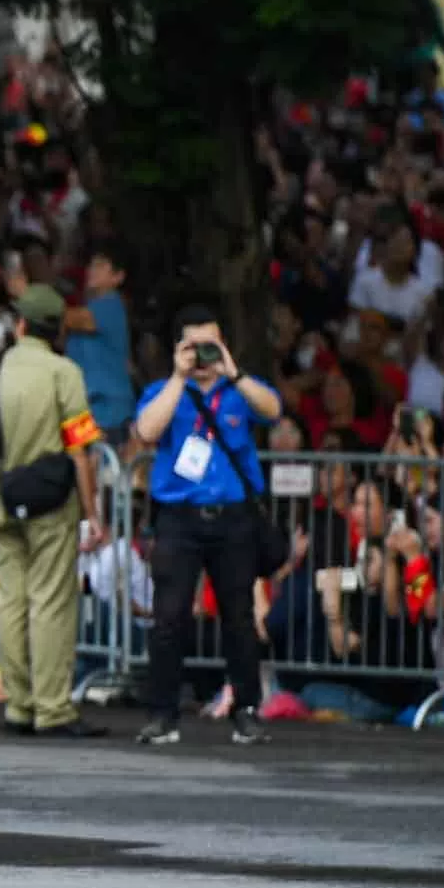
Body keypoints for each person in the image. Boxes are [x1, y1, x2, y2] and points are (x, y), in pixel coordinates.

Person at [132, 304, 284, 747]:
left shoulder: (238, 391)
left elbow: (273, 409)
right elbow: (146, 430)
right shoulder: (165, 390)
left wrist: (233, 372)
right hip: (179, 518)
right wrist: (179, 378)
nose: (202, 355)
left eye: (210, 345)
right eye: (194, 346)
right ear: (180, 347)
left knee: (238, 618)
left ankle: (248, 711)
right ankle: (162, 714)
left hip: (233, 518)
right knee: (169, 617)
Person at [0, 287, 106, 736]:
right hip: (50, 504)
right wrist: (93, 512)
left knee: (10, 599)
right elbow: (80, 449)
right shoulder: (62, 372)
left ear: (21, 325)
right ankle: (52, 709)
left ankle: (19, 705)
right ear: (57, 330)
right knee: (49, 601)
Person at [62, 244, 134, 448]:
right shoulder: (88, 309)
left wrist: (31, 298)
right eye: (91, 265)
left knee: (105, 474)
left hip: (108, 413)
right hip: (83, 411)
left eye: (101, 266)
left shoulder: (112, 304)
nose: (92, 270)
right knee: (82, 467)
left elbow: (66, 318)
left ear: (118, 277)